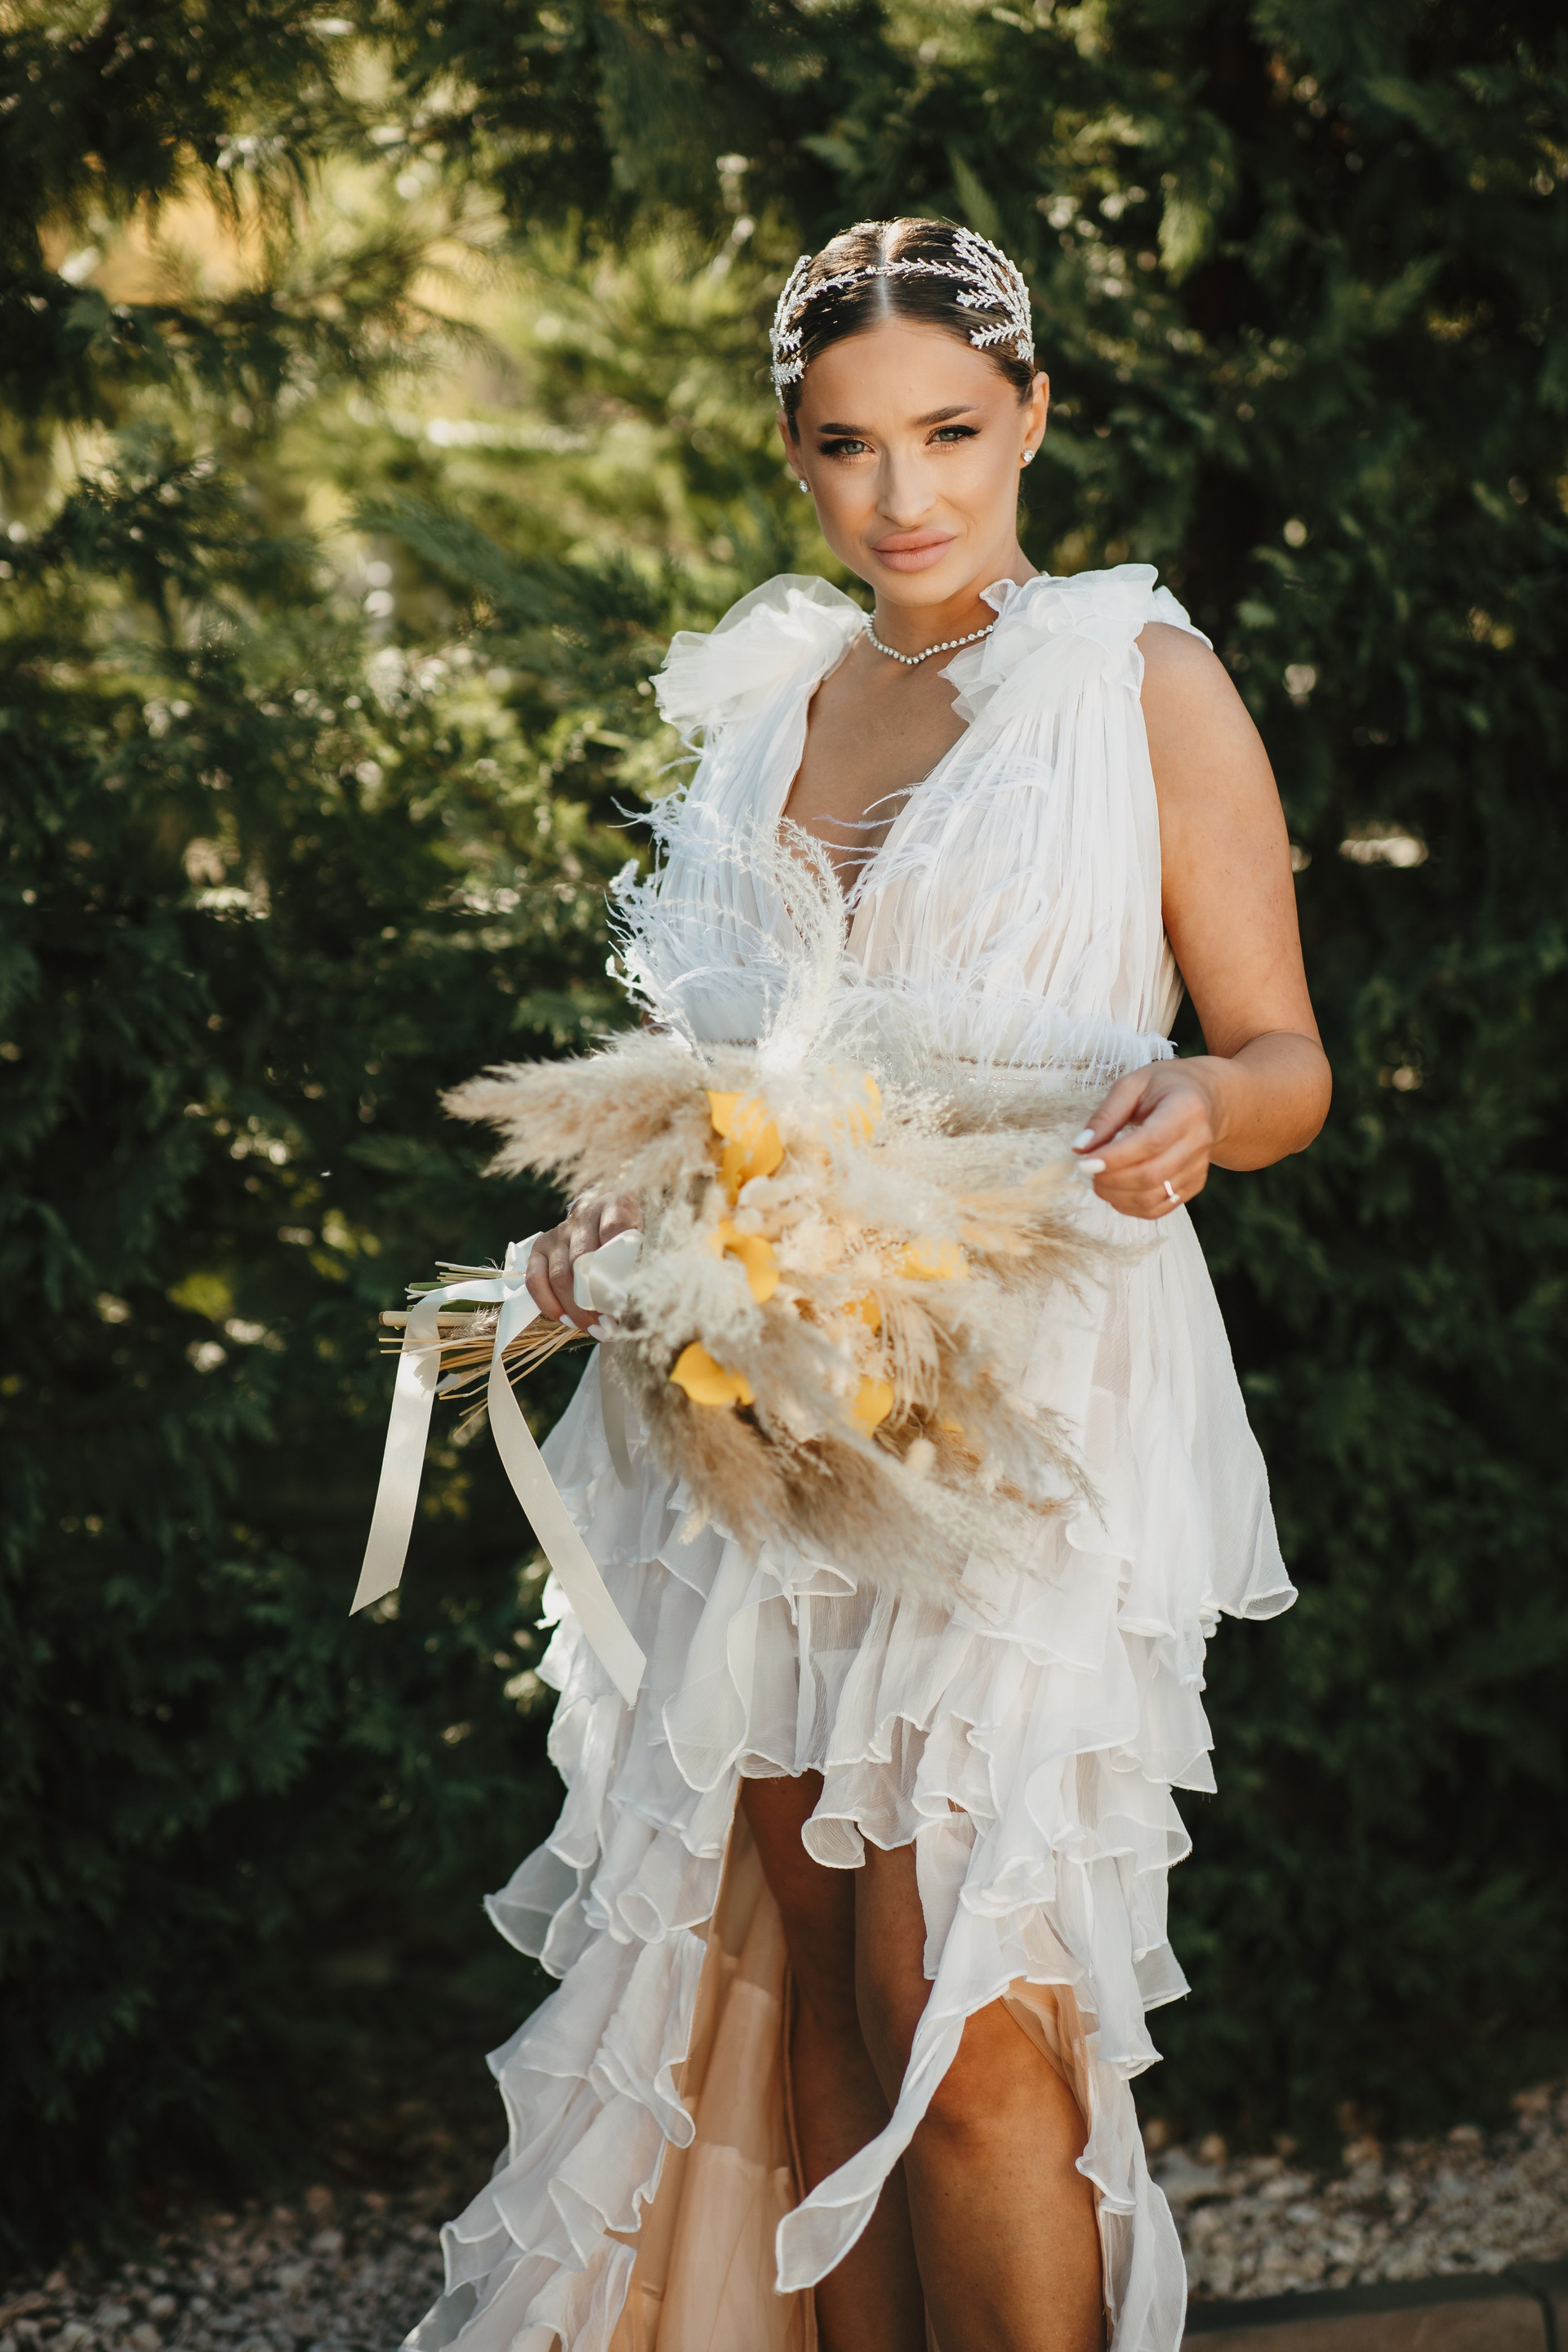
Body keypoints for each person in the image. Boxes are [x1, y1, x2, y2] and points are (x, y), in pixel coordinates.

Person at [408, 217, 1330, 2352]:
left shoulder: (1136, 680)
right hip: (759, 1418)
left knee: (966, 2014)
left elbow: (1286, 1059)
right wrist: (618, 1235)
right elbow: (725, 1083)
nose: (905, 494)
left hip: (1021, 1401)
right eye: (849, 446)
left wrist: (1205, 1100)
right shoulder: (774, 711)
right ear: (795, 456)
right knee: (819, 1991)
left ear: (1031, 418)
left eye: (951, 432)